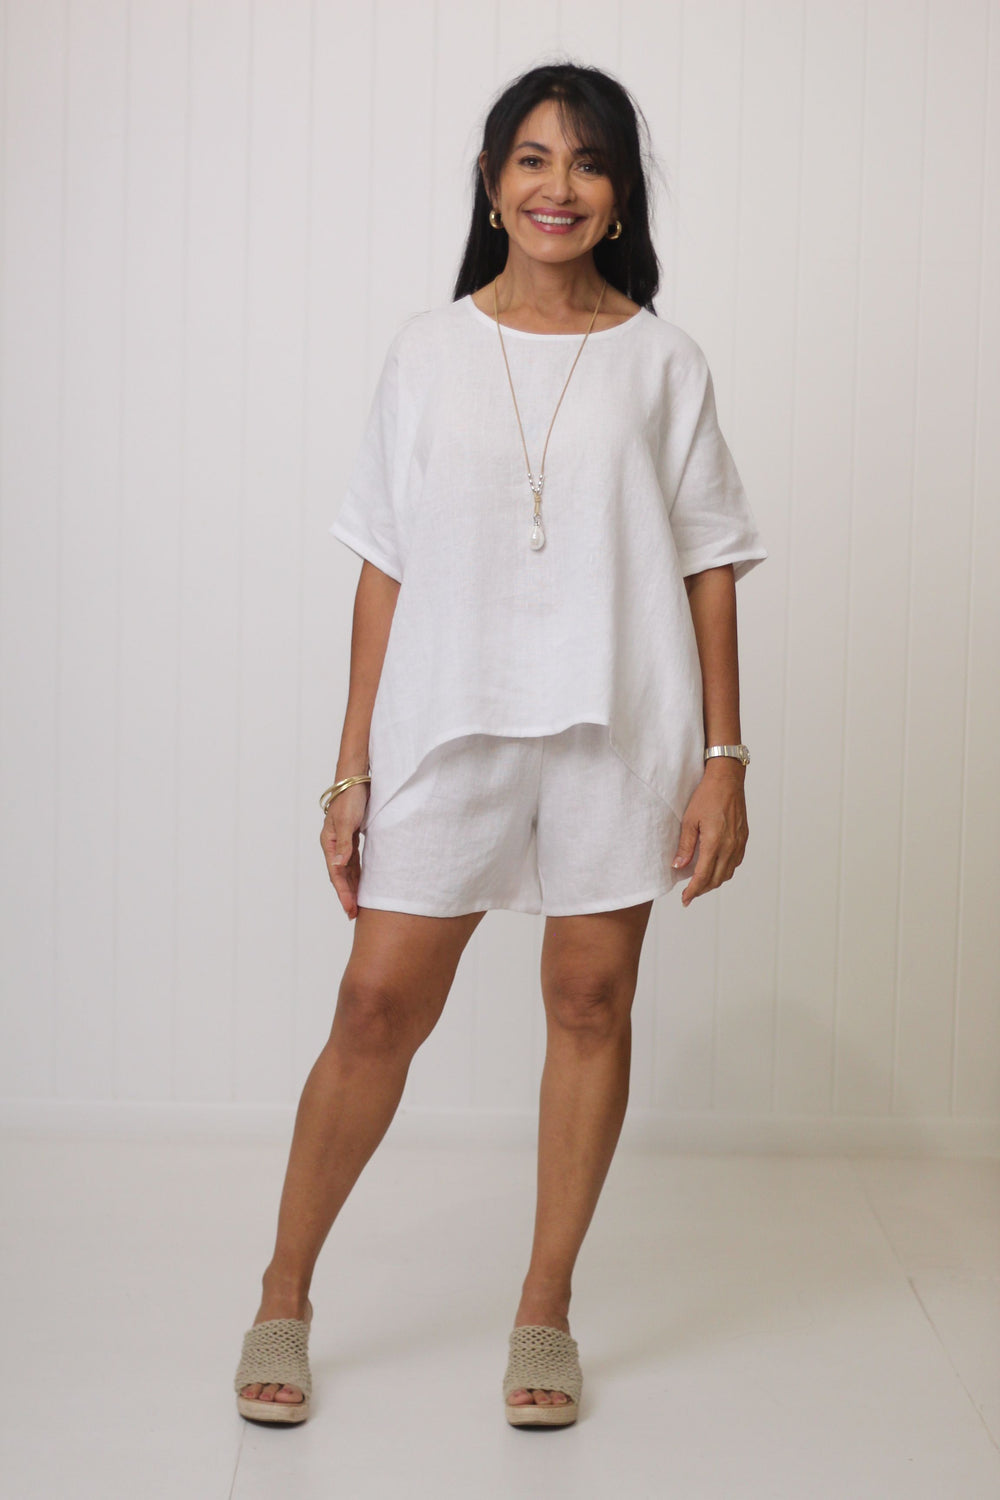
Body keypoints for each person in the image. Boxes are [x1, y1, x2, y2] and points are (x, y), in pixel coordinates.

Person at [233, 60, 766, 1430]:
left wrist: (724, 759)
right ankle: (285, 1292)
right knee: (375, 1008)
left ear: (620, 195)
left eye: (588, 162)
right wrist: (351, 769)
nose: (558, 186)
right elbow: (383, 567)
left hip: (615, 728)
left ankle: (546, 1306)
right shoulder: (428, 350)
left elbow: (708, 564)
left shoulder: (664, 361)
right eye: (533, 158)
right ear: (492, 183)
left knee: (589, 1002)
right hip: (446, 724)